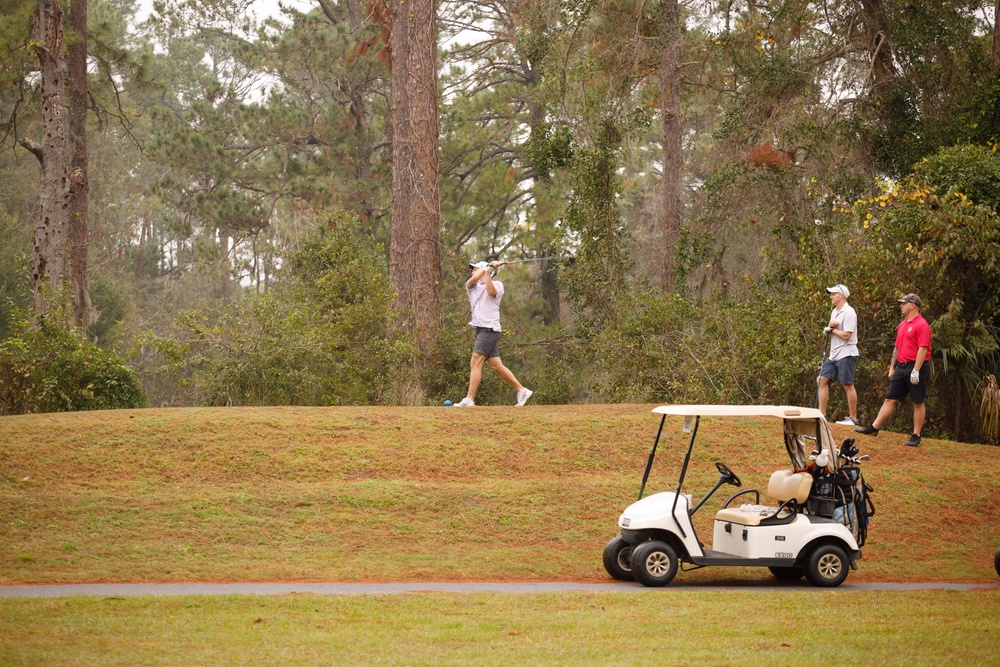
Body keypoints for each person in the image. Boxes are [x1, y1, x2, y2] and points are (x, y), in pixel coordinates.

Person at [855, 293, 931, 447]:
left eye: (904, 303)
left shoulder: (922, 324)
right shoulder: (902, 325)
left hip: (917, 367)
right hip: (901, 367)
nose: (901, 306)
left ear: (912, 305)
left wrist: (916, 370)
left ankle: (916, 435)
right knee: (890, 399)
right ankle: (874, 429)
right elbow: (896, 348)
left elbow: (922, 349)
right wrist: (892, 367)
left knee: (917, 401)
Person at [454, 260, 533, 407]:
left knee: (475, 361)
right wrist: (487, 268)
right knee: (496, 366)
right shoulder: (472, 286)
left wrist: (488, 271)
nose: (472, 272)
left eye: (475, 269)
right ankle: (522, 390)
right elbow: (473, 279)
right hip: (481, 330)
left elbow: (491, 292)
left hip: (490, 329)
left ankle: (469, 399)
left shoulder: (498, 285)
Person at [817, 284, 860, 426]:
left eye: (833, 294)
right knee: (821, 380)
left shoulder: (849, 312)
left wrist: (831, 330)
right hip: (834, 354)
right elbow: (834, 331)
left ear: (841, 296)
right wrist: (830, 329)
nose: (831, 297)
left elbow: (847, 335)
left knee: (848, 384)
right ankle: (821, 415)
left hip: (846, 353)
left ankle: (853, 418)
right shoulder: (834, 312)